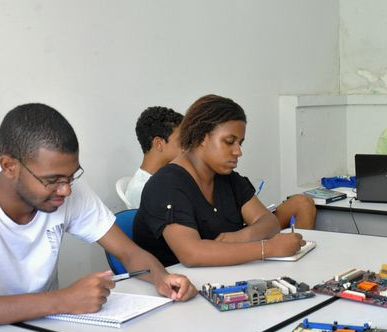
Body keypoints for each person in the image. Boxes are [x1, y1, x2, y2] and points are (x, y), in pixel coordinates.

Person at [0, 103, 197, 330]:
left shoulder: (66, 189)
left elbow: (129, 252)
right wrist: (62, 300)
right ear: (9, 166)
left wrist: (162, 278)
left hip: (48, 331)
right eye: (53, 181)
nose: (66, 190)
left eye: (71, 177)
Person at [133, 94, 304, 267]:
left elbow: (269, 221)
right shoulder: (166, 185)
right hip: (176, 287)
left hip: (222, 278)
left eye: (240, 143)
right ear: (201, 137)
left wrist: (240, 237)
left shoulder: (227, 178)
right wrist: (267, 248)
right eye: (229, 142)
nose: (238, 151)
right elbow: (192, 254)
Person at [128, 106, 316, 229]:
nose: (188, 145)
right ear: (159, 144)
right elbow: (193, 243)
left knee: (302, 203)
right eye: (182, 140)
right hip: (207, 246)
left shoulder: (215, 176)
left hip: (232, 232)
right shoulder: (153, 188)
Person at [125, 106, 184, 208]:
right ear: (159, 143)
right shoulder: (141, 189)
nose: (186, 146)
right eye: (180, 140)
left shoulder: (169, 177)